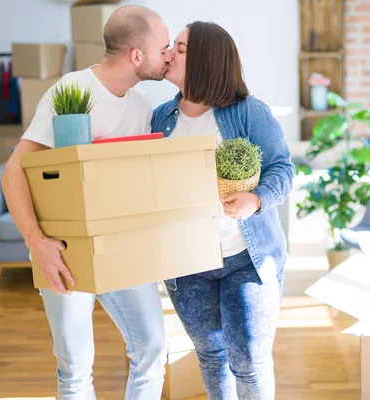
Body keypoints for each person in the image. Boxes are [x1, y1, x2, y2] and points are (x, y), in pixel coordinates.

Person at [1, 6, 172, 399]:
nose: (168, 55)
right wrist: (36, 243)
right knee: (75, 368)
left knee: (151, 348)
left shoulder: (141, 102)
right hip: (63, 247)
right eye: (163, 47)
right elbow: (14, 172)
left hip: (120, 245)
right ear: (136, 55)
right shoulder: (72, 90)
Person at [151, 21, 294, 400]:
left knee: (248, 359)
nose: (167, 54)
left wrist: (257, 199)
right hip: (187, 264)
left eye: (179, 50)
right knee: (211, 356)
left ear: (204, 61)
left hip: (246, 257)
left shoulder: (248, 112)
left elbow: (283, 168)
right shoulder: (160, 119)